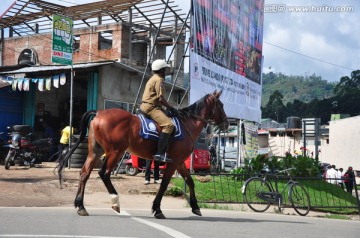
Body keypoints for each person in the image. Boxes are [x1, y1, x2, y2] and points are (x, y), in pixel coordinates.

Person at [139, 59, 178, 162]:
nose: (166, 71)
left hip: (148, 105)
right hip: (151, 108)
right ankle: (159, 153)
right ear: (161, 70)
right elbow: (161, 99)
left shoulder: (153, 78)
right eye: (165, 69)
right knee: (169, 125)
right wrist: (171, 107)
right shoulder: (159, 79)